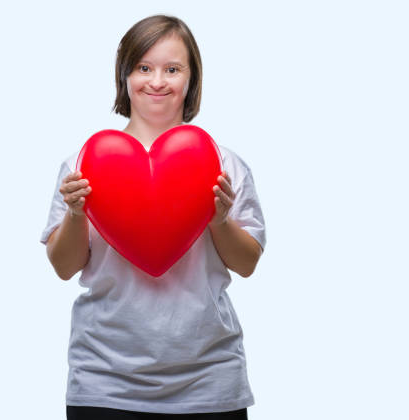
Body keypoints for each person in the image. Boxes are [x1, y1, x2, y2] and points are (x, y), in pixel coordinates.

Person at [40, 15, 267, 420]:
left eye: (172, 69)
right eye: (144, 67)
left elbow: (247, 263)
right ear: (124, 75)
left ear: (191, 79)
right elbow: (63, 267)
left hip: (209, 380)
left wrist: (217, 219)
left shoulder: (225, 164)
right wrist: (77, 214)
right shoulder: (85, 162)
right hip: (103, 381)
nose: (157, 81)